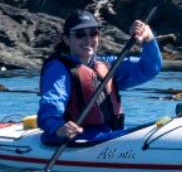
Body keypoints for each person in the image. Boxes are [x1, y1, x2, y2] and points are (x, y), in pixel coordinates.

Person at [37, 9, 162, 145]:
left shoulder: (108, 65)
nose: (88, 39)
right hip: (77, 138)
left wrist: (149, 40)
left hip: (109, 135)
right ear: (67, 39)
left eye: (93, 33)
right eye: (80, 34)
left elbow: (149, 68)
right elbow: (51, 104)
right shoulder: (59, 69)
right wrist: (57, 127)